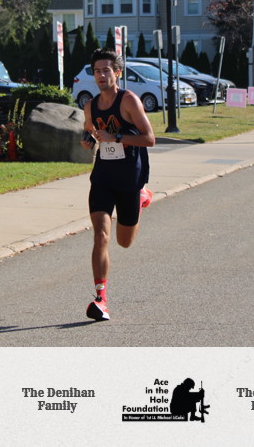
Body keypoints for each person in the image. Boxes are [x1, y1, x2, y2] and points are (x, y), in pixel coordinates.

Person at [80, 48, 156, 321]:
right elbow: (89, 129)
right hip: (103, 177)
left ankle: (141, 197)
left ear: (117, 73)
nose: (101, 75)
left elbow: (149, 138)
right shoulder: (90, 105)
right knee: (101, 235)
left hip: (129, 178)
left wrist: (117, 138)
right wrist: (87, 140)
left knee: (124, 242)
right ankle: (101, 299)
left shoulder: (129, 101)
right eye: (97, 71)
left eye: (106, 70)